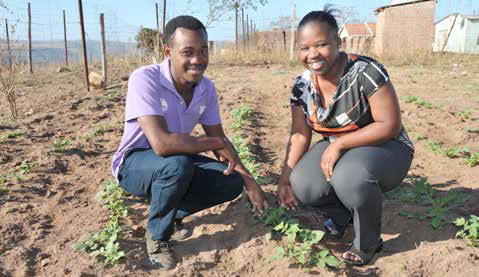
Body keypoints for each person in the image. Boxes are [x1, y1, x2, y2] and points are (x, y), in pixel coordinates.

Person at [111, 15, 268, 270]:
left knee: (230, 181)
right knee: (177, 165)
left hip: (177, 157)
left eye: (203, 51)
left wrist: (249, 180)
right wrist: (212, 142)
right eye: (188, 52)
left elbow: (220, 138)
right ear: (168, 52)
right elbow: (161, 145)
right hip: (135, 162)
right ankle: (158, 235)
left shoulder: (206, 88)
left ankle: (170, 211)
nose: (197, 59)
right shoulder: (145, 78)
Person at [276, 8, 414, 266]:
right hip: (339, 147)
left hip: (387, 147)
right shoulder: (302, 85)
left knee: (350, 177)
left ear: (338, 42)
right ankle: (343, 215)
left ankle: (368, 241)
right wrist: (284, 178)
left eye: (321, 44)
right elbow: (299, 136)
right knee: (302, 182)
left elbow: (390, 124)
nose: (312, 54)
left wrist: (340, 143)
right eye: (304, 48)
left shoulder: (365, 71)